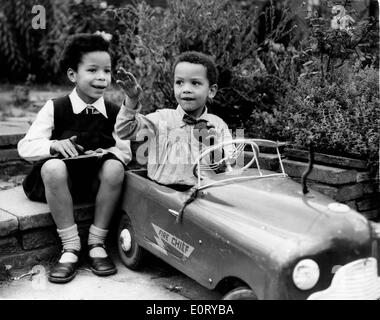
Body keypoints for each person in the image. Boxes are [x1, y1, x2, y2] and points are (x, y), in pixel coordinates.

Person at [17, 33, 131, 283]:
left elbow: (125, 151)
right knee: (53, 168)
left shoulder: (113, 112)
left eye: (107, 71)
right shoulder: (56, 107)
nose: (102, 77)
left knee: (114, 167)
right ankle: (70, 247)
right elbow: (25, 146)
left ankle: (96, 243)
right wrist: (54, 146)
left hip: (93, 184)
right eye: (92, 70)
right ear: (73, 75)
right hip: (59, 184)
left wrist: (107, 153)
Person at [115, 51, 234, 188]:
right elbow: (124, 131)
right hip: (163, 194)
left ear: (211, 91)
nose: (186, 89)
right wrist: (132, 99)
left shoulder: (218, 125)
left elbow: (228, 167)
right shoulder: (161, 118)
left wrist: (213, 145)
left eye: (195, 83)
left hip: (203, 196)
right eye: (179, 82)